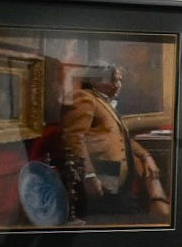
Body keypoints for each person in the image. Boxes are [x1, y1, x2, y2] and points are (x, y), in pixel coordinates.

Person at [54, 64, 164, 220]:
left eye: (119, 80)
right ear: (94, 80)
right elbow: (75, 138)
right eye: (112, 80)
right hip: (102, 176)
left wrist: (146, 156)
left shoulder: (104, 102)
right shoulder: (83, 97)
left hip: (117, 177)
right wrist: (89, 175)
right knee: (107, 219)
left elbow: (123, 138)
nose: (117, 85)